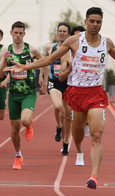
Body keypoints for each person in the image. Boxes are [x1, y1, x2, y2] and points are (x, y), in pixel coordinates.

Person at [5, 7, 115, 189]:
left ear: (101, 23)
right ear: (86, 22)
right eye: (92, 21)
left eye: (98, 22)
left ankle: (93, 177)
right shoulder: (74, 41)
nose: (95, 25)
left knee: (97, 136)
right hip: (76, 93)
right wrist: (25, 67)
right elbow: (50, 59)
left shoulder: (106, 43)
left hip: (95, 93)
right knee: (78, 135)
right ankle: (80, 149)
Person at [0, 21, 48, 170]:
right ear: (11, 33)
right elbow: (0, 74)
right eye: (16, 33)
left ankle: (29, 125)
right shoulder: (5, 50)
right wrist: (5, 60)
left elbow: (45, 63)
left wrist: (43, 81)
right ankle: (18, 156)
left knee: (25, 120)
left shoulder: (31, 49)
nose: (18, 35)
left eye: (21, 33)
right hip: (13, 94)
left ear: (24, 34)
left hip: (28, 93)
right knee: (14, 130)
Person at [59, 25, 87, 160]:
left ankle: (85, 125)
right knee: (68, 117)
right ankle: (65, 142)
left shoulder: (91, 51)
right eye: (76, 36)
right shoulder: (66, 54)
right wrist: (70, 69)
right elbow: (60, 77)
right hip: (71, 89)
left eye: (81, 35)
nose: (79, 38)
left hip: (88, 91)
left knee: (82, 120)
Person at [45, 22, 71, 155]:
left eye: (64, 31)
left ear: (68, 34)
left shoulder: (72, 50)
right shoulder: (50, 47)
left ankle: (65, 143)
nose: (61, 33)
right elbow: (46, 62)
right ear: (57, 33)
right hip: (54, 82)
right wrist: (43, 80)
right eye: (60, 31)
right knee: (57, 107)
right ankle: (59, 126)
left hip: (68, 84)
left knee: (67, 116)